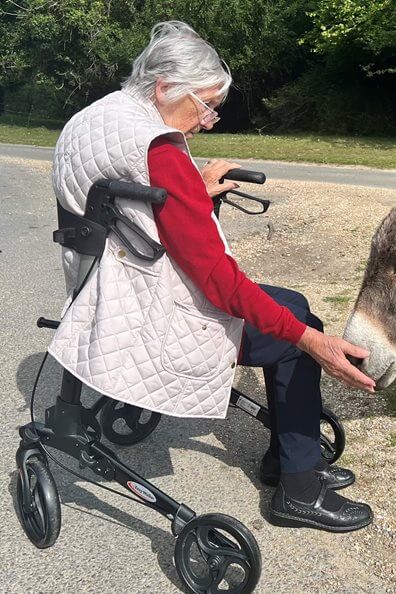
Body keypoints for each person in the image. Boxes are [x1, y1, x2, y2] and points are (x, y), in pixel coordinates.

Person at [49, 21, 376, 533]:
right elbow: (215, 276)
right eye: (205, 105)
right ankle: (298, 489)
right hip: (142, 306)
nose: (209, 120)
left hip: (108, 280)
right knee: (294, 332)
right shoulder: (159, 147)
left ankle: (289, 455)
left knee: (292, 301)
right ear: (163, 87)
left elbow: (132, 213)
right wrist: (312, 340)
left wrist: (193, 191)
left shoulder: (98, 117)